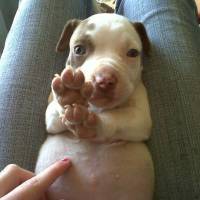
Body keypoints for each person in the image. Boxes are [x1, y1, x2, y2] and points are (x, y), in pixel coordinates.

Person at [0, 0, 199, 199]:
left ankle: (94, 7)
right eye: (80, 50)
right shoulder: (67, 83)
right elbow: (52, 123)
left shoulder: (135, 90)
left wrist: (97, 124)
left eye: (130, 53)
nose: (105, 78)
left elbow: (141, 126)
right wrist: (63, 108)